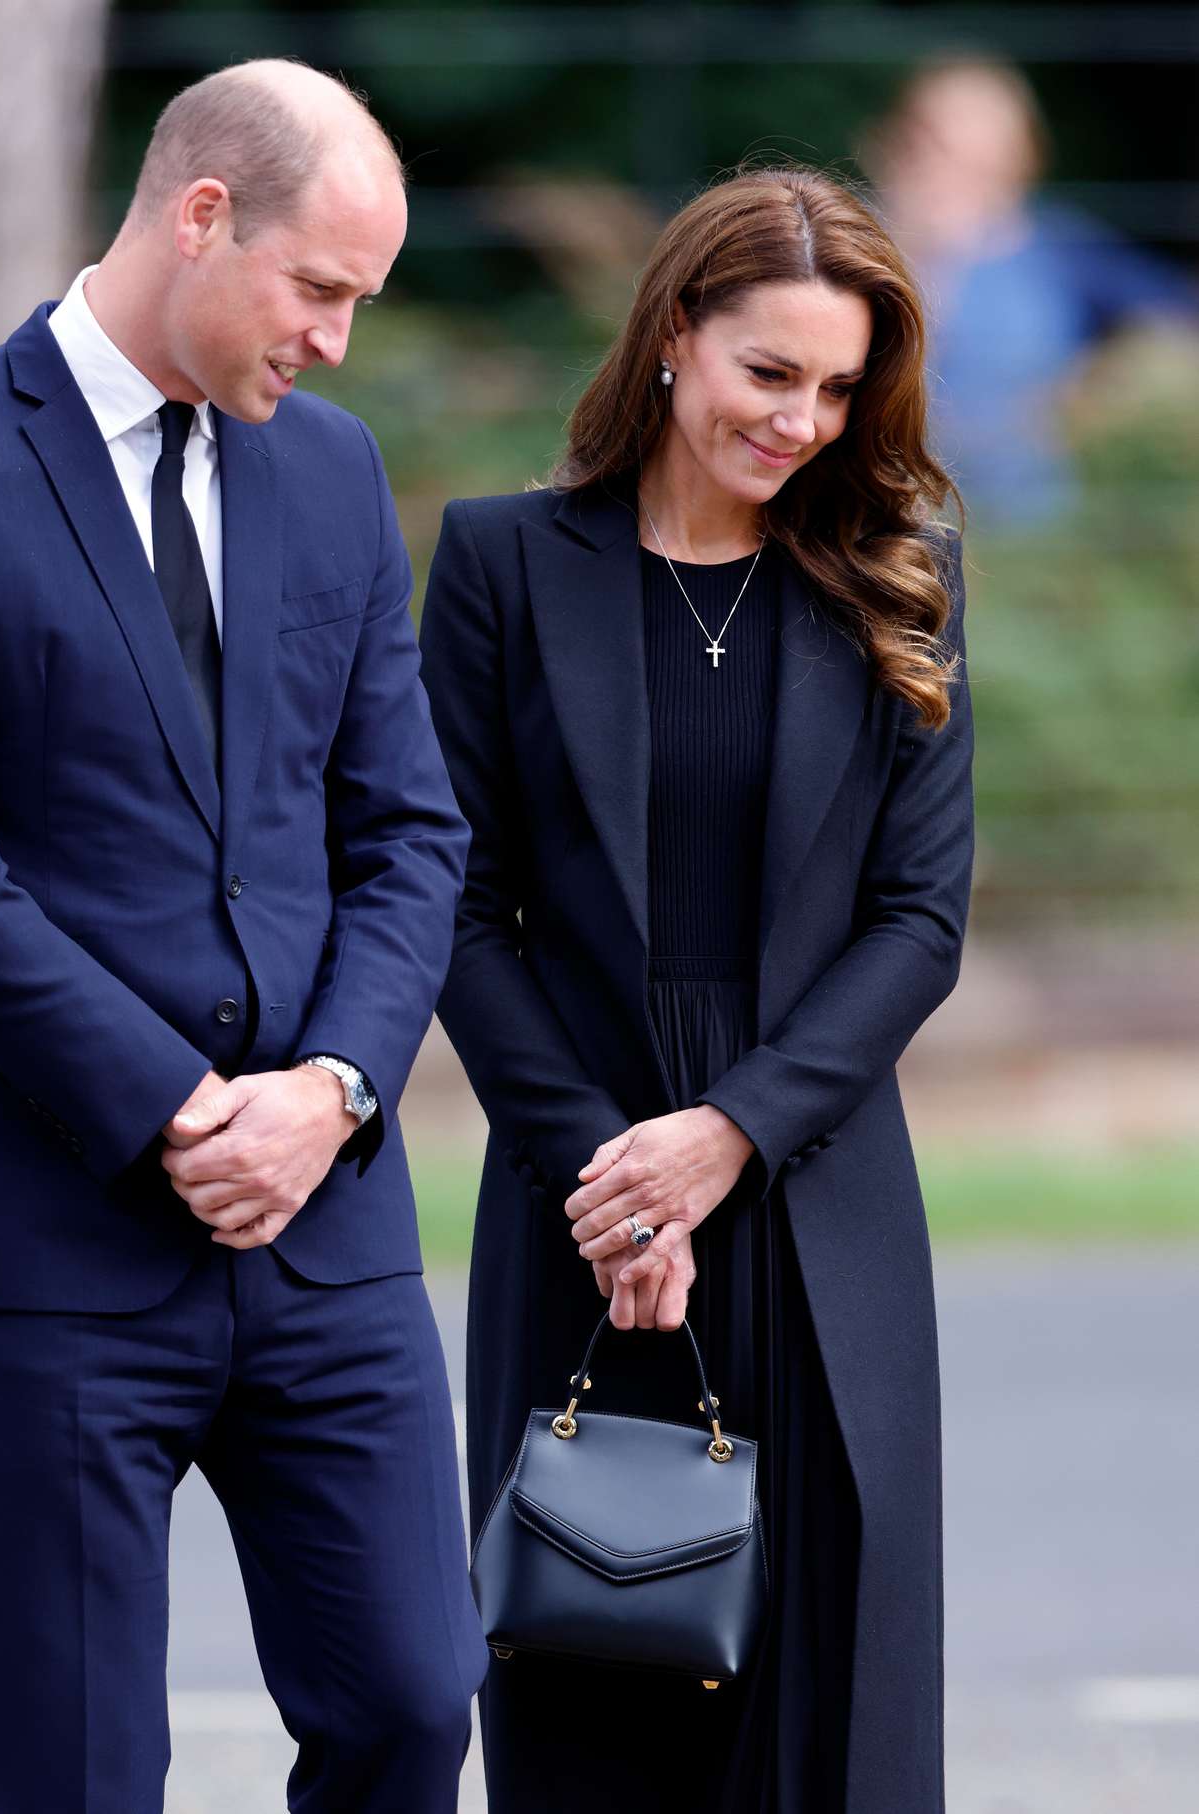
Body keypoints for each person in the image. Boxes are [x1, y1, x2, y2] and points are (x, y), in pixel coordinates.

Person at [0, 59, 486, 1813]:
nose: (336, 340)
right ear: (200, 215)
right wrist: (182, 1111)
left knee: (414, 1700)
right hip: (50, 1240)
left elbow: (409, 828)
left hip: (324, 1235)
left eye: (361, 302)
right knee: (80, 1770)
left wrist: (327, 1089)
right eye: (320, 287)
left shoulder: (331, 473)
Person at [419, 166, 974, 1813]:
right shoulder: (504, 565)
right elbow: (455, 901)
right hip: (578, 1190)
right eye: (768, 371)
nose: (803, 417)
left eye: (836, 386)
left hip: (821, 1197)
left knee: (835, 1703)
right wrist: (611, 1177)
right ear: (673, 336)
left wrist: (728, 1131)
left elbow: (918, 918)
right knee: (591, 1683)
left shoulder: (900, 571)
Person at [862, 58, 1198, 525]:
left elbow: (1176, 320)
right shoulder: (846, 240)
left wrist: (1092, 388)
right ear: (893, 144)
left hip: (1029, 526)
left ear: (1021, 161)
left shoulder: (1059, 247)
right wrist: (926, 256)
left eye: (980, 157)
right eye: (935, 145)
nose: (950, 170)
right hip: (880, 518)